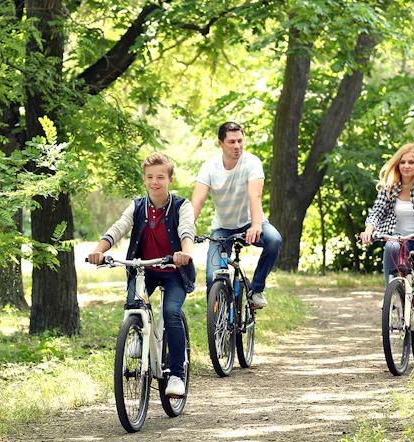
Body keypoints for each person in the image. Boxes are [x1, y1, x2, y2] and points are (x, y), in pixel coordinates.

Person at [88, 153, 196, 398]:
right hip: (144, 269)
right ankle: (138, 331)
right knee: (134, 304)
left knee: (171, 312)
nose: (154, 182)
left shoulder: (181, 205)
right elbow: (119, 227)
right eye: (149, 177)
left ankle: (177, 374)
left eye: (160, 177)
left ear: (170, 178)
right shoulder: (137, 205)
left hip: (173, 270)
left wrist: (185, 252)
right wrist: (99, 250)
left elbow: (186, 229)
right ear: (144, 179)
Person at [360, 143, 414, 351]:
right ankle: (393, 292)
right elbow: (377, 212)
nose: (407, 166)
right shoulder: (390, 187)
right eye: (403, 162)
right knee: (390, 247)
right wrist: (369, 229)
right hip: (399, 238)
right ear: (397, 164)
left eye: (412, 162)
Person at [191, 122, 282, 308]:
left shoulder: (252, 162)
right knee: (212, 277)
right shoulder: (209, 167)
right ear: (221, 143)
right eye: (232, 141)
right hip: (223, 228)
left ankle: (256, 290)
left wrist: (256, 225)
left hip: (251, 223)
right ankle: (219, 322)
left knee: (274, 240)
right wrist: (187, 228)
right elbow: (198, 200)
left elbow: (254, 195)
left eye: (240, 141)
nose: (237, 146)